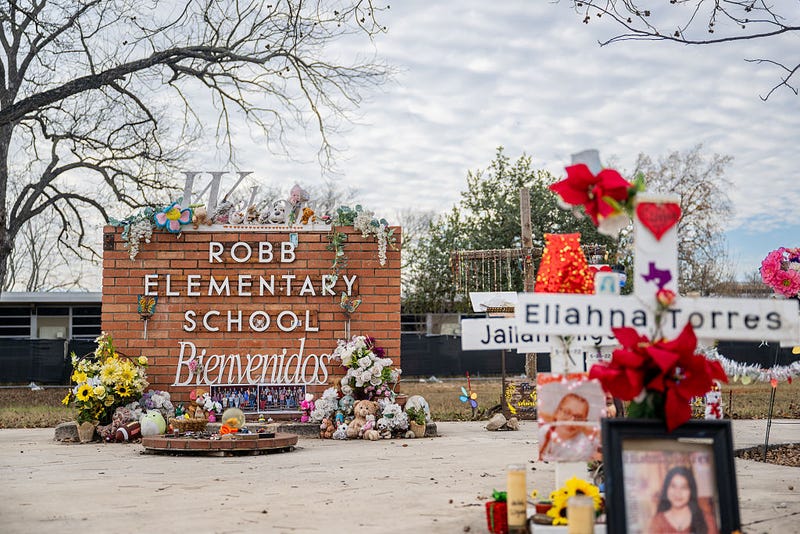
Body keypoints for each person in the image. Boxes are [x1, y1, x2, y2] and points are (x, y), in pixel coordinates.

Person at [649, 466, 718, 534]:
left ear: (691, 491)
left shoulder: (707, 520)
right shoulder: (658, 521)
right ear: (666, 489)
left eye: (684, 487)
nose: (678, 493)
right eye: (673, 486)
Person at [538, 392, 600, 461]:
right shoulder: (543, 431)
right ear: (557, 412)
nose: (571, 421)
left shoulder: (583, 447)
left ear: (584, 422)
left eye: (578, 417)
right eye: (567, 412)